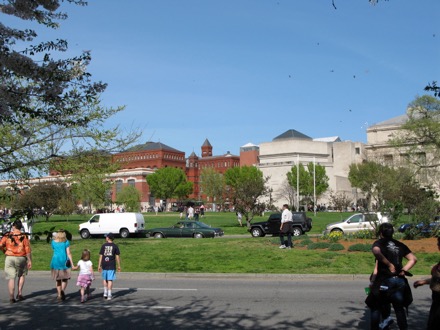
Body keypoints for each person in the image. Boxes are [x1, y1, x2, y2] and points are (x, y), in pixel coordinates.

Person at [370, 222, 417, 330]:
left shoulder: (379, 243)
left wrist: (389, 264)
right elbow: (413, 259)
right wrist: (404, 269)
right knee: (399, 308)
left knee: (377, 306)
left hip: (385, 280)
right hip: (399, 280)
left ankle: (381, 325)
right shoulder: (400, 244)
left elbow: (376, 251)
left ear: (381, 233)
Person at [0, 219, 32, 303]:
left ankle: (11, 297)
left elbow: (0, 245)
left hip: (10, 257)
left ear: (13, 226)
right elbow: (27, 249)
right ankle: (20, 293)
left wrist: (4, 251)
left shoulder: (7, 235)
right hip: (21, 257)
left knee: (11, 278)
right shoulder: (24, 236)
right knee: (21, 275)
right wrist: (29, 260)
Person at [413, 236, 440, 330]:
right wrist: (424, 281)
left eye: (439, 243)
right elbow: (437, 278)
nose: (437, 245)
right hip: (436, 299)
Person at [50, 229, 74, 301]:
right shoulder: (66, 242)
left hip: (55, 261)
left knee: (58, 280)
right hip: (64, 262)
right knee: (65, 279)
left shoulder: (53, 242)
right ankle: (62, 290)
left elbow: (54, 249)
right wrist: (72, 263)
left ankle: (59, 295)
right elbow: (68, 253)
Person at [98, 233, 121, 300]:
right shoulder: (115, 246)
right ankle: (109, 294)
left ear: (108, 238)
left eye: (106, 237)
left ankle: (105, 293)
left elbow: (101, 256)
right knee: (110, 279)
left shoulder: (103, 246)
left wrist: (99, 265)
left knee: (105, 279)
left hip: (104, 264)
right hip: (111, 265)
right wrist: (119, 265)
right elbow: (117, 257)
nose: (105, 238)